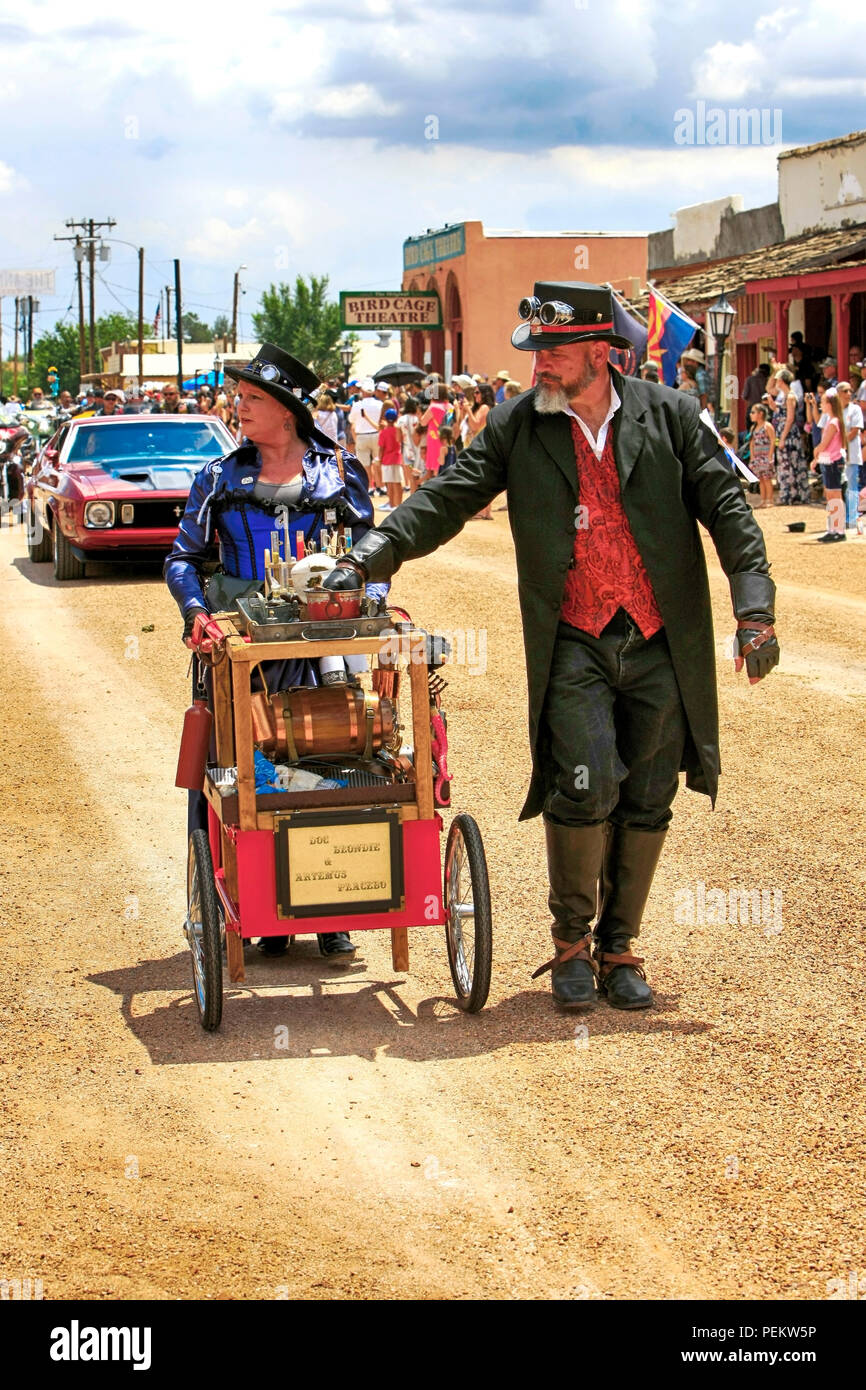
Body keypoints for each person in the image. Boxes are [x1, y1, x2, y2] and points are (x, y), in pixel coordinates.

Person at [324, 281, 779, 1012]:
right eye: (534, 349)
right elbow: (447, 495)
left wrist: (754, 611)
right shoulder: (519, 425)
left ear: (600, 352)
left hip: (662, 638)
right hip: (575, 638)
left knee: (649, 794)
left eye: (553, 350)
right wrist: (368, 555)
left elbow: (729, 512)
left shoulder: (673, 417)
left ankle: (619, 947)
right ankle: (571, 941)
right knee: (585, 779)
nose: (537, 362)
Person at [164, 343, 385, 964]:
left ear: (286, 411)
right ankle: (258, 906)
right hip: (239, 650)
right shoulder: (217, 478)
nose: (238, 407)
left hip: (324, 647)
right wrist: (197, 615)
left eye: (251, 398)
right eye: (240, 397)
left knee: (333, 755)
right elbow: (182, 559)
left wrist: (362, 602)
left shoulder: (339, 470)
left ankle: (334, 908)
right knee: (242, 770)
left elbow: (374, 548)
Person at [810, 387, 847, 542]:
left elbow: (824, 444)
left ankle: (838, 529)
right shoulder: (832, 421)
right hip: (829, 461)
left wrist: (815, 454)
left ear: (830, 404)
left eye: (824, 402)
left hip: (832, 461)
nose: (821, 405)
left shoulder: (833, 422)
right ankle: (834, 528)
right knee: (832, 495)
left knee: (834, 495)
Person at [771, 369, 810, 504]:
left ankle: (792, 495)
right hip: (783, 431)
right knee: (784, 463)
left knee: (790, 463)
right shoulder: (785, 395)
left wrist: (782, 438)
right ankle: (787, 493)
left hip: (788, 434)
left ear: (782, 381)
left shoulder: (790, 397)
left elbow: (790, 418)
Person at [835, 382, 864, 530]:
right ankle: (840, 518)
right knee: (838, 487)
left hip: (851, 454)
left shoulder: (855, 409)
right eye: (845, 391)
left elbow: (854, 431)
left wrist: (841, 445)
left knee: (851, 487)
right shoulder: (835, 410)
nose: (849, 393)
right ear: (838, 393)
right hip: (837, 455)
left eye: (850, 391)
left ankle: (851, 518)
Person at [465, 383, 495, 518]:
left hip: (480, 446)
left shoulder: (484, 407)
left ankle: (482, 511)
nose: (475, 395)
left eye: (477, 393)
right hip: (477, 445)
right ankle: (485, 511)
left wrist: (468, 410)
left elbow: (475, 425)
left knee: (479, 479)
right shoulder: (482, 407)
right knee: (481, 478)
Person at [348, 379, 383, 495]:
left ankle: (370, 486)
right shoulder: (380, 404)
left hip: (362, 436)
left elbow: (351, 420)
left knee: (365, 465)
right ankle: (381, 486)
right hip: (377, 435)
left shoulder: (357, 405)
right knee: (378, 462)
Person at [747, 404, 776, 508]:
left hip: (765, 455)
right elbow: (752, 443)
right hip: (757, 457)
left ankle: (770, 500)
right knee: (761, 480)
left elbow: (773, 440)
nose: (751, 415)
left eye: (753, 412)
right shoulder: (753, 428)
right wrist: (752, 456)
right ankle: (763, 500)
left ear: (761, 414)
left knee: (767, 478)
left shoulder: (767, 426)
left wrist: (770, 455)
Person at [377, 407, 403, 511]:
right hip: (397, 458)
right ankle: (398, 504)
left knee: (390, 483)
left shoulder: (383, 432)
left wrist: (379, 459)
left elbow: (381, 448)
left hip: (386, 460)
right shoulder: (397, 430)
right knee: (398, 483)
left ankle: (392, 504)